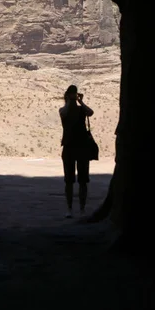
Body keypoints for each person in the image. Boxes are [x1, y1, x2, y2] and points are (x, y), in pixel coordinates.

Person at [59, 84, 94, 218]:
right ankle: (69, 208)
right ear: (67, 96)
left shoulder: (81, 110)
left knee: (83, 180)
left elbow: (90, 112)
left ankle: (82, 208)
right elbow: (64, 113)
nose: (74, 96)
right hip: (69, 147)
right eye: (72, 94)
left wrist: (81, 101)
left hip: (82, 147)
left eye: (75, 94)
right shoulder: (63, 109)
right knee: (69, 180)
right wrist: (69, 101)